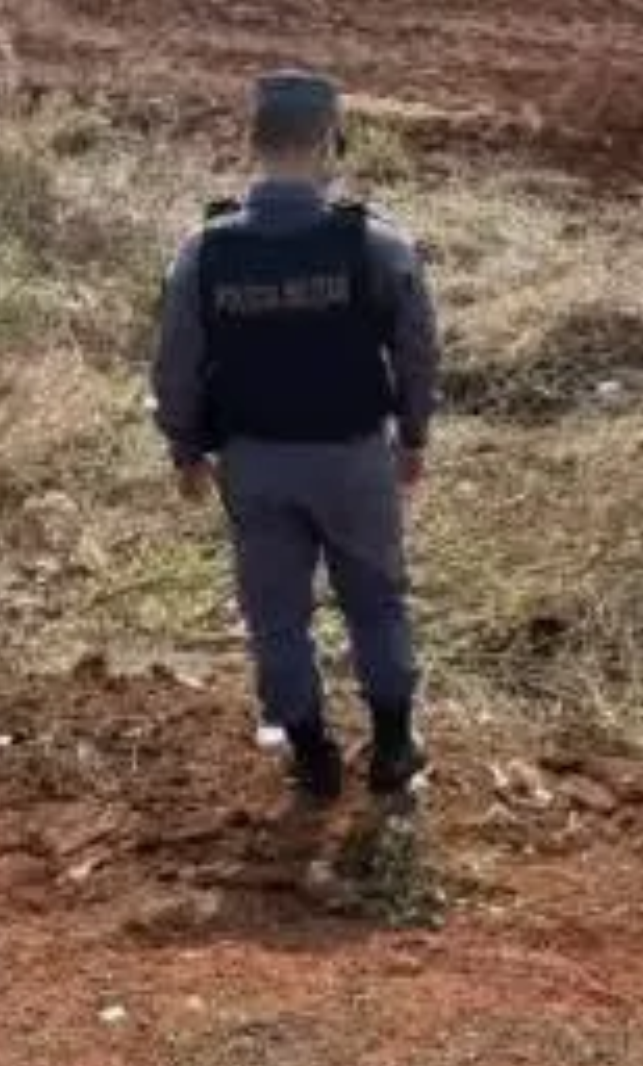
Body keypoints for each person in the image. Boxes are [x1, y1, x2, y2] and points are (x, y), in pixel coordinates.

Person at [151, 71, 439, 803]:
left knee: (275, 615)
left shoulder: (204, 252)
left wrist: (186, 449)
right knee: (375, 600)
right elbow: (416, 346)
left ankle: (312, 756)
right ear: (326, 142)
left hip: (255, 461)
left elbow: (176, 364)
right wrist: (413, 435)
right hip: (352, 459)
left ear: (254, 141)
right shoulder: (374, 244)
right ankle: (394, 746)